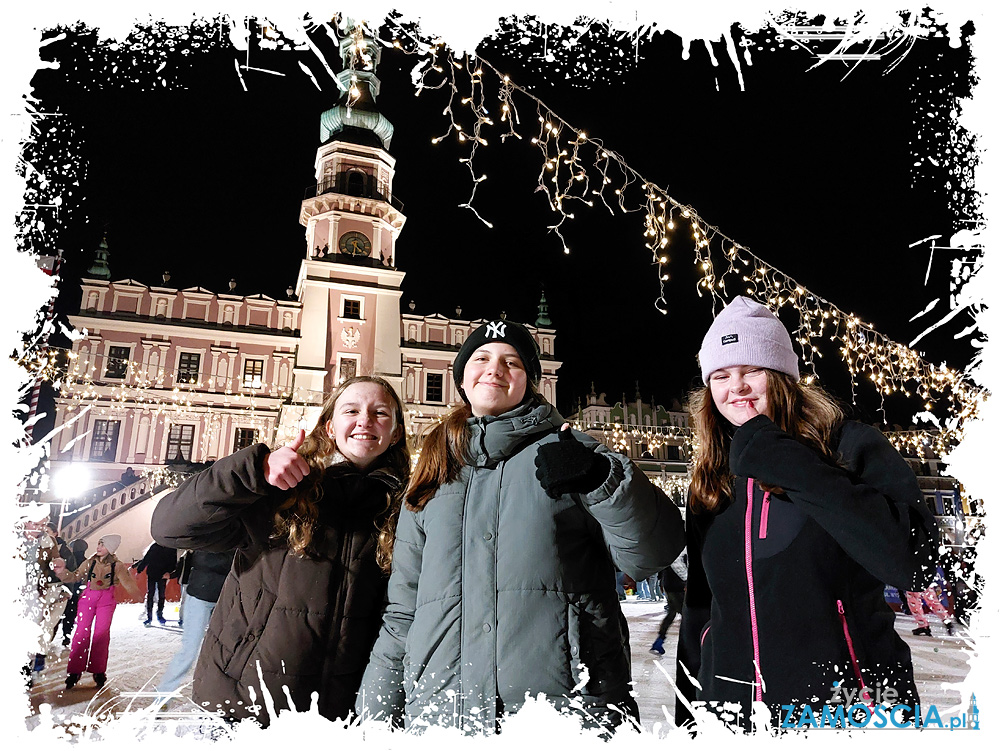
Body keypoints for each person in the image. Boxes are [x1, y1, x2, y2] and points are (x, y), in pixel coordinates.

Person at [356, 318, 685, 734]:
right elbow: (403, 614)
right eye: (481, 358)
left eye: (511, 362)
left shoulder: (573, 452)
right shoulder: (432, 474)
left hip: (567, 714)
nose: (494, 369)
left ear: (528, 381)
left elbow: (652, 551)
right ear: (462, 378)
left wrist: (603, 479)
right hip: (442, 715)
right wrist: (376, 719)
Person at [675, 296, 939, 731]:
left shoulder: (849, 447)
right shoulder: (710, 478)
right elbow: (701, 607)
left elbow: (914, 560)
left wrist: (794, 465)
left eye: (751, 370)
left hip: (850, 705)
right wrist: (693, 714)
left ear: (781, 377)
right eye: (720, 376)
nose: (735, 387)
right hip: (731, 715)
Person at [150, 375, 411, 727]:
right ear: (330, 427)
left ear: (395, 432)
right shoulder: (284, 490)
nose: (365, 420)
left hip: (339, 717)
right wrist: (253, 470)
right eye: (352, 410)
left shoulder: (404, 510)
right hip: (245, 706)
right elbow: (170, 528)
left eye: (380, 412)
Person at [53, 533, 141, 689]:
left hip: (106, 601)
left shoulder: (117, 565)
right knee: (81, 632)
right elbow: (75, 576)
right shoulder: (90, 562)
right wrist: (61, 572)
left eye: (103, 544)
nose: (98, 547)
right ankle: (74, 671)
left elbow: (128, 583)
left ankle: (98, 671)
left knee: (101, 634)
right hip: (88, 598)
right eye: (99, 544)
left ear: (111, 548)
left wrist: (138, 595)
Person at [153, 548, 236, 710]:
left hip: (227, 597)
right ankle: (163, 695)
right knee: (189, 650)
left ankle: (217, 697)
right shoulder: (208, 532)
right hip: (200, 595)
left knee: (225, 650)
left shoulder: (241, 531)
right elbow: (204, 560)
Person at [130, 541, 178, 625]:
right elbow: (146, 559)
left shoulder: (171, 547)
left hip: (163, 575)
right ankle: (149, 617)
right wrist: (139, 570)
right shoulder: (155, 546)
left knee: (161, 595)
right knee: (150, 595)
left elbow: (173, 561)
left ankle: (159, 614)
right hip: (152, 573)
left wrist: (169, 573)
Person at [650, 550, 687, 656]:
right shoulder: (679, 543)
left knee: (672, 613)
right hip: (677, 585)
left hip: (670, 583)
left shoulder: (669, 544)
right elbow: (677, 563)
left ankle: (659, 641)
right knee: (686, 614)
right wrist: (687, 579)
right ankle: (689, 645)